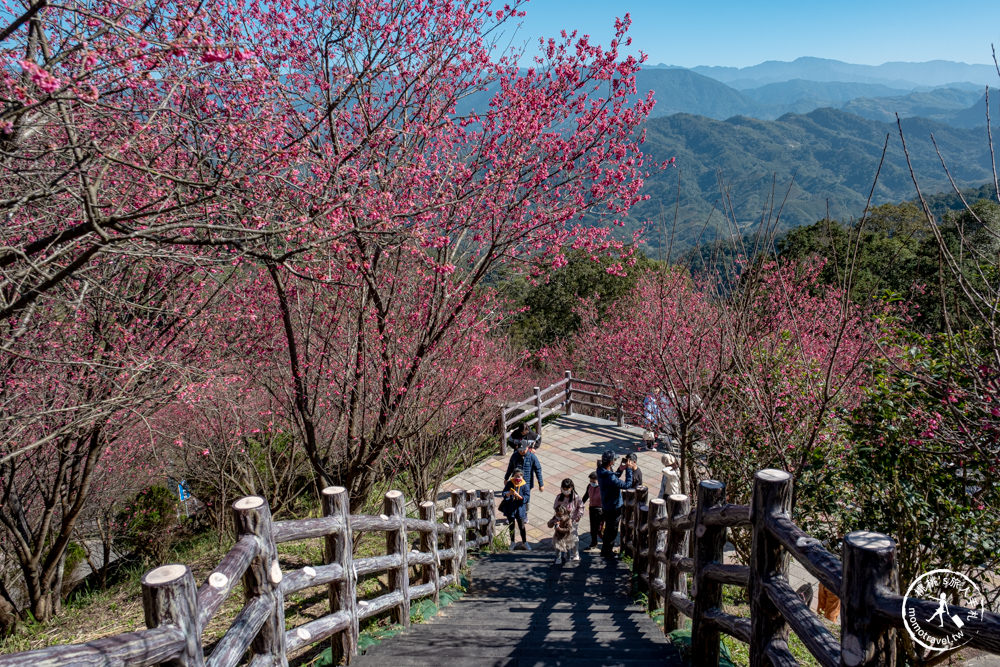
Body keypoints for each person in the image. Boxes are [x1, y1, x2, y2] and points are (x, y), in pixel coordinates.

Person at [596, 450, 635, 559]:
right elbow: (627, 485)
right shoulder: (610, 477)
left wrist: (619, 470)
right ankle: (607, 552)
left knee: (608, 529)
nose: (615, 461)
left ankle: (605, 550)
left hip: (606, 505)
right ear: (610, 462)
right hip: (614, 507)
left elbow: (613, 477)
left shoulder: (600, 470)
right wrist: (628, 469)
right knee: (612, 531)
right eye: (614, 460)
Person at [504, 438, 544, 523]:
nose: (522, 452)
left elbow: (538, 470)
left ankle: (524, 515)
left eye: (524, 450)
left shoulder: (532, 457)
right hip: (514, 482)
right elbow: (510, 467)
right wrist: (506, 478)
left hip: (526, 484)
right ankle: (511, 515)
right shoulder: (514, 455)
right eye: (520, 450)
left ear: (528, 448)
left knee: (525, 500)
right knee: (512, 498)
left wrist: (541, 484)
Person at [552, 478, 584, 562]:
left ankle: (576, 554)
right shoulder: (559, 497)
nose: (565, 491)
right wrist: (557, 518)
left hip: (572, 521)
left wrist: (577, 518)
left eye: (567, 489)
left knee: (574, 538)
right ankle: (561, 556)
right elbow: (555, 507)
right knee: (560, 539)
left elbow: (581, 507)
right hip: (561, 521)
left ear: (571, 488)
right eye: (564, 489)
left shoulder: (576, 497)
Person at [499, 470, 530, 550]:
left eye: (519, 476)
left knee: (522, 526)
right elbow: (504, 493)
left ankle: (524, 542)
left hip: (520, 509)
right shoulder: (510, 483)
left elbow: (527, 497)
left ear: (522, 477)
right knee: (511, 526)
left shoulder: (525, 485)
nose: (517, 478)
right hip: (510, 508)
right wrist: (509, 493)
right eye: (515, 476)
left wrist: (519, 496)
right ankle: (512, 542)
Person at [583, 471, 603, 551]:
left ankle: (606, 543)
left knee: (600, 529)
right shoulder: (589, 486)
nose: (592, 483)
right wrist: (580, 504)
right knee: (593, 528)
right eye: (590, 481)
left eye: (593, 481)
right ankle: (593, 543)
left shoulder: (602, 488)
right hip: (592, 509)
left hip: (601, 510)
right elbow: (586, 496)